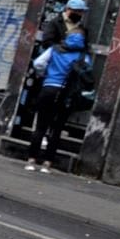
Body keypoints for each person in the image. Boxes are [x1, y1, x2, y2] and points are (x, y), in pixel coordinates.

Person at [26, 28, 92, 173]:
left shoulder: (55, 49)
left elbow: (38, 63)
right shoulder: (83, 55)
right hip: (67, 94)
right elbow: (87, 75)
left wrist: (46, 74)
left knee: (41, 126)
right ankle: (47, 164)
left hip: (48, 89)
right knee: (56, 129)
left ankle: (31, 161)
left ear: (67, 37)